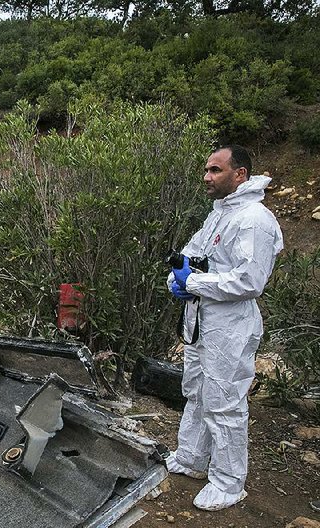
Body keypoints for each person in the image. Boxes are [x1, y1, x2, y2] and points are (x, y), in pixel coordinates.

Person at [165, 145, 284, 511]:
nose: (207, 177)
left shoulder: (253, 219)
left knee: (224, 403)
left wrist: (194, 284)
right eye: (206, 170)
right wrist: (178, 274)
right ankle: (191, 458)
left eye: (216, 170)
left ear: (240, 174)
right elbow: (192, 253)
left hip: (230, 329)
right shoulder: (219, 214)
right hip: (203, 323)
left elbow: (250, 280)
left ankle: (229, 482)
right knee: (197, 392)